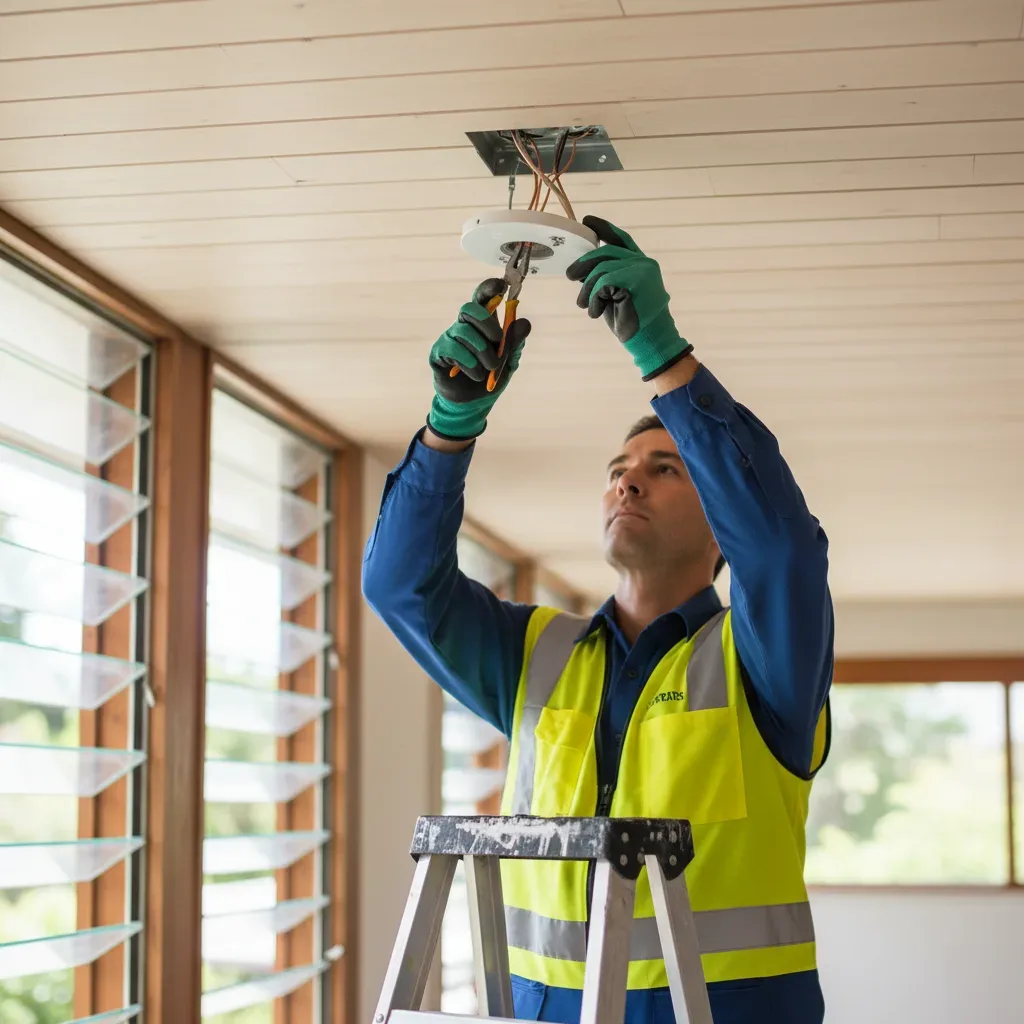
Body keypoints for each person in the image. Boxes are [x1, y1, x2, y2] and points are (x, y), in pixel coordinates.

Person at [362, 216, 833, 1024]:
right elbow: (399, 584)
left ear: (720, 522)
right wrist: (449, 426)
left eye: (664, 469)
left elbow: (782, 551)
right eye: (618, 470)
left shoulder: (761, 664)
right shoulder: (535, 656)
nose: (627, 483)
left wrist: (665, 358)